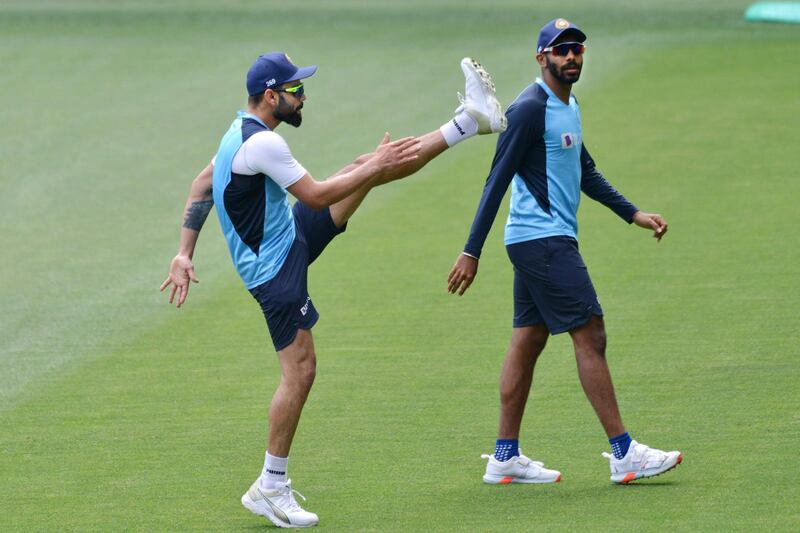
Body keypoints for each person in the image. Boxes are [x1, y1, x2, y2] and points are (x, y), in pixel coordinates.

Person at [160, 52, 506, 528]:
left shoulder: (238, 135)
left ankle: (471, 120)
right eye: (296, 90)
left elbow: (200, 187)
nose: (304, 97)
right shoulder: (261, 146)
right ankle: (270, 486)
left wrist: (184, 253)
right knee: (300, 371)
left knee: (368, 165)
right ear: (270, 96)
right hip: (275, 272)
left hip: (289, 237)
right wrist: (377, 166)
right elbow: (319, 195)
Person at [447, 19, 682, 486]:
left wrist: (632, 213)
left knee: (529, 340)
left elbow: (585, 170)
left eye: (577, 48)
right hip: (543, 241)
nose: (571, 56)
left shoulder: (568, 105)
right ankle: (624, 453)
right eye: (561, 50)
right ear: (542, 58)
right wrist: (471, 251)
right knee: (590, 333)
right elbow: (496, 180)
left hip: (539, 240)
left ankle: (504, 457)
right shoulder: (530, 109)